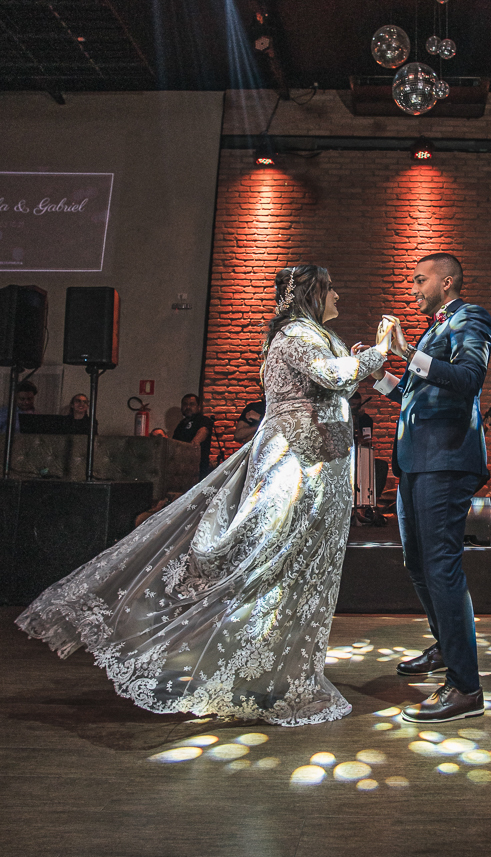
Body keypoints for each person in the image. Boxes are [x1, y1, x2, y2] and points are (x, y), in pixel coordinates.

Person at [17, 264, 393, 726]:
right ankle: (232, 665)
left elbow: (337, 382)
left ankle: (273, 670)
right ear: (312, 295)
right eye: (332, 288)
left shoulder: (312, 333)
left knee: (300, 568)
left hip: (319, 466)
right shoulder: (295, 333)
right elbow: (333, 377)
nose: (338, 295)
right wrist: (377, 352)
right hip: (295, 464)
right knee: (270, 562)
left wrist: (359, 358)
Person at [373, 252, 491, 724]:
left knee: (441, 565)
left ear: (446, 282)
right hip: (417, 461)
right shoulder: (430, 330)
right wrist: (377, 376)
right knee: (417, 562)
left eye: (419, 280)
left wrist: (409, 354)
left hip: (446, 458)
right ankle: (446, 647)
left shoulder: (471, 317)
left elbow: (469, 377)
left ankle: (466, 688)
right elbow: (410, 393)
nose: (412, 288)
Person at [172, 394, 213, 478]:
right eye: (185, 404)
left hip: (198, 468)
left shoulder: (204, 420)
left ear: (198, 407)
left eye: (192, 404)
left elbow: (203, 432)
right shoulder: (181, 425)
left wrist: (191, 446)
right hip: (181, 468)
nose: (188, 407)